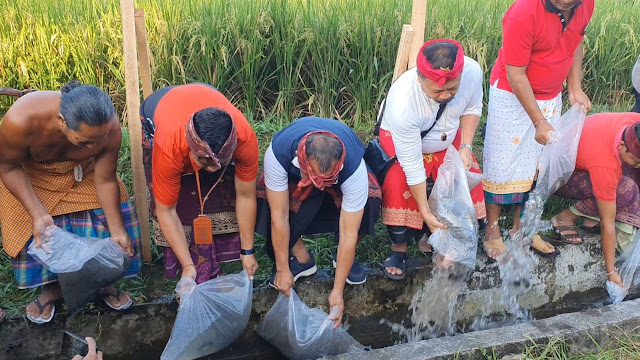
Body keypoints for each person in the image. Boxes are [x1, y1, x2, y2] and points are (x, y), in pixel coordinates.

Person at [0, 81, 141, 324]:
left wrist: (118, 231)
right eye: (86, 142)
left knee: (108, 219)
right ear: (62, 121)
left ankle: (102, 282)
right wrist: (38, 213)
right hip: (31, 176)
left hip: (83, 174)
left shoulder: (109, 128)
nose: (96, 146)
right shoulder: (21, 120)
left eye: (100, 139)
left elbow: (106, 179)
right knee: (35, 227)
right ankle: (52, 288)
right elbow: (8, 167)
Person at [482, 0, 594, 260]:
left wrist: (574, 87)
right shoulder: (523, 13)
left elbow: (576, 43)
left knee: (539, 166)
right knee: (502, 164)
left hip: (550, 94)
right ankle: (493, 230)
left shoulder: (586, 4)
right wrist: (538, 121)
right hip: (511, 94)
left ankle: (524, 229)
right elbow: (515, 73)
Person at [256, 117, 381, 327]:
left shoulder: (353, 168)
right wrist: (282, 268)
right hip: (296, 183)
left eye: (327, 179)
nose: (320, 185)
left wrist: (337, 292)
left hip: (340, 187)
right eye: (316, 178)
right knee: (266, 202)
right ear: (302, 159)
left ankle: (342, 260)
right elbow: (280, 216)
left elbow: (349, 233)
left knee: (371, 199)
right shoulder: (278, 153)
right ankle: (302, 259)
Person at [377, 38, 486, 280]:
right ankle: (399, 247)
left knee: (463, 179)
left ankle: (437, 238)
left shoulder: (471, 71)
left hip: (449, 135)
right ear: (419, 79)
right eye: (438, 90)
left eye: (452, 88)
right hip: (407, 141)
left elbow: (472, 108)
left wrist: (466, 146)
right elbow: (413, 166)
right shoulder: (403, 102)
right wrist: (425, 211)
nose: (446, 94)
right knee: (399, 182)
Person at [140, 83, 259, 283]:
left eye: (221, 162)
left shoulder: (245, 138)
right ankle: (192, 264)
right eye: (204, 161)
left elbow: (246, 195)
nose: (213, 169)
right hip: (161, 108)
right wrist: (188, 267)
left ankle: (217, 261)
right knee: (182, 202)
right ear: (190, 146)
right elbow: (166, 210)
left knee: (222, 192)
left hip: (206, 95)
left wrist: (248, 251)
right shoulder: (169, 145)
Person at [552, 113, 640, 288]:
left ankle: (591, 219)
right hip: (557, 173)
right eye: (636, 160)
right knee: (626, 190)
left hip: (586, 151)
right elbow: (608, 225)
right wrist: (611, 272)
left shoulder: (634, 125)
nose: (638, 164)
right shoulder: (605, 165)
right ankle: (565, 217)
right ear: (622, 146)